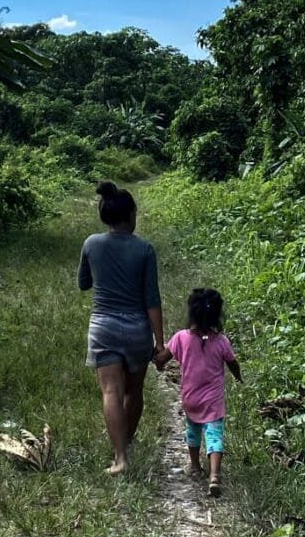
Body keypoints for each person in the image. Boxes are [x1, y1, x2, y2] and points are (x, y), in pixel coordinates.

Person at [78, 181, 164, 475]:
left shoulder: (91, 244)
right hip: (138, 329)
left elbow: (83, 283)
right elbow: (152, 299)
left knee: (111, 391)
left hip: (103, 327)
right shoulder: (145, 249)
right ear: (131, 216)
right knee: (134, 390)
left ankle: (120, 457)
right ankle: (124, 441)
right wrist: (160, 343)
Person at [160, 287, 242, 497]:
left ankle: (195, 466)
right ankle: (214, 475)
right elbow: (233, 363)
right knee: (214, 435)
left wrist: (154, 358)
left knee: (193, 432)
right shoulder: (221, 341)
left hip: (191, 399)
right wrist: (238, 376)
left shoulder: (180, 338)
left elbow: (162, 359)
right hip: (213, 401)